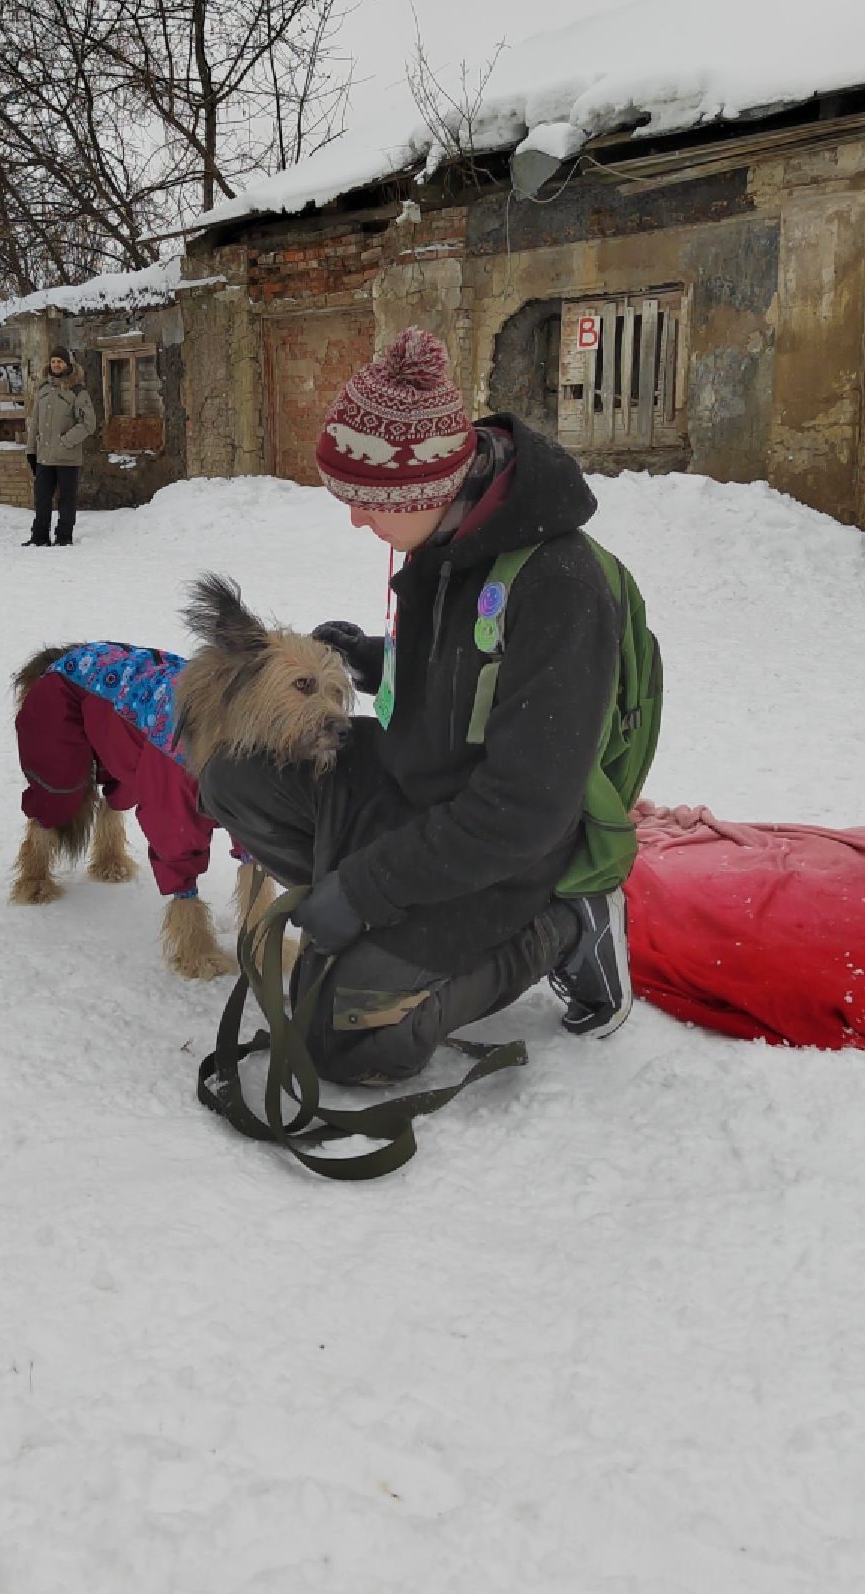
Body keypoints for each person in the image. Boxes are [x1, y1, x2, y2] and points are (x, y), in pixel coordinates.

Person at [199, 326, 637, 1086]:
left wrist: (366, 889)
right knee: (232, 776)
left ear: (423, 486)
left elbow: (524, 810)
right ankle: (376, 920)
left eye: (365, 502)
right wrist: (372, 657)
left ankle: (565, 928)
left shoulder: (559, 587)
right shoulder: (445, 533)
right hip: (410, 791)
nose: (355, 519)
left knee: (343, 1041)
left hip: (502, 847)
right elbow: (464, 671)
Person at [24, 346, 97, 547]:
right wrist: (31, 450)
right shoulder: (43, 390)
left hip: (67, 457)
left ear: (67, 364)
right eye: (54, 361)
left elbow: (88, 424)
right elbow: (34, 423)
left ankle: (64, 537)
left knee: (66, 499)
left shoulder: (77, 392)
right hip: (44, 456)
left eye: (60, 361)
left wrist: (65, 442)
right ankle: (40, 537)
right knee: (42, 499)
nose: (56, 365)